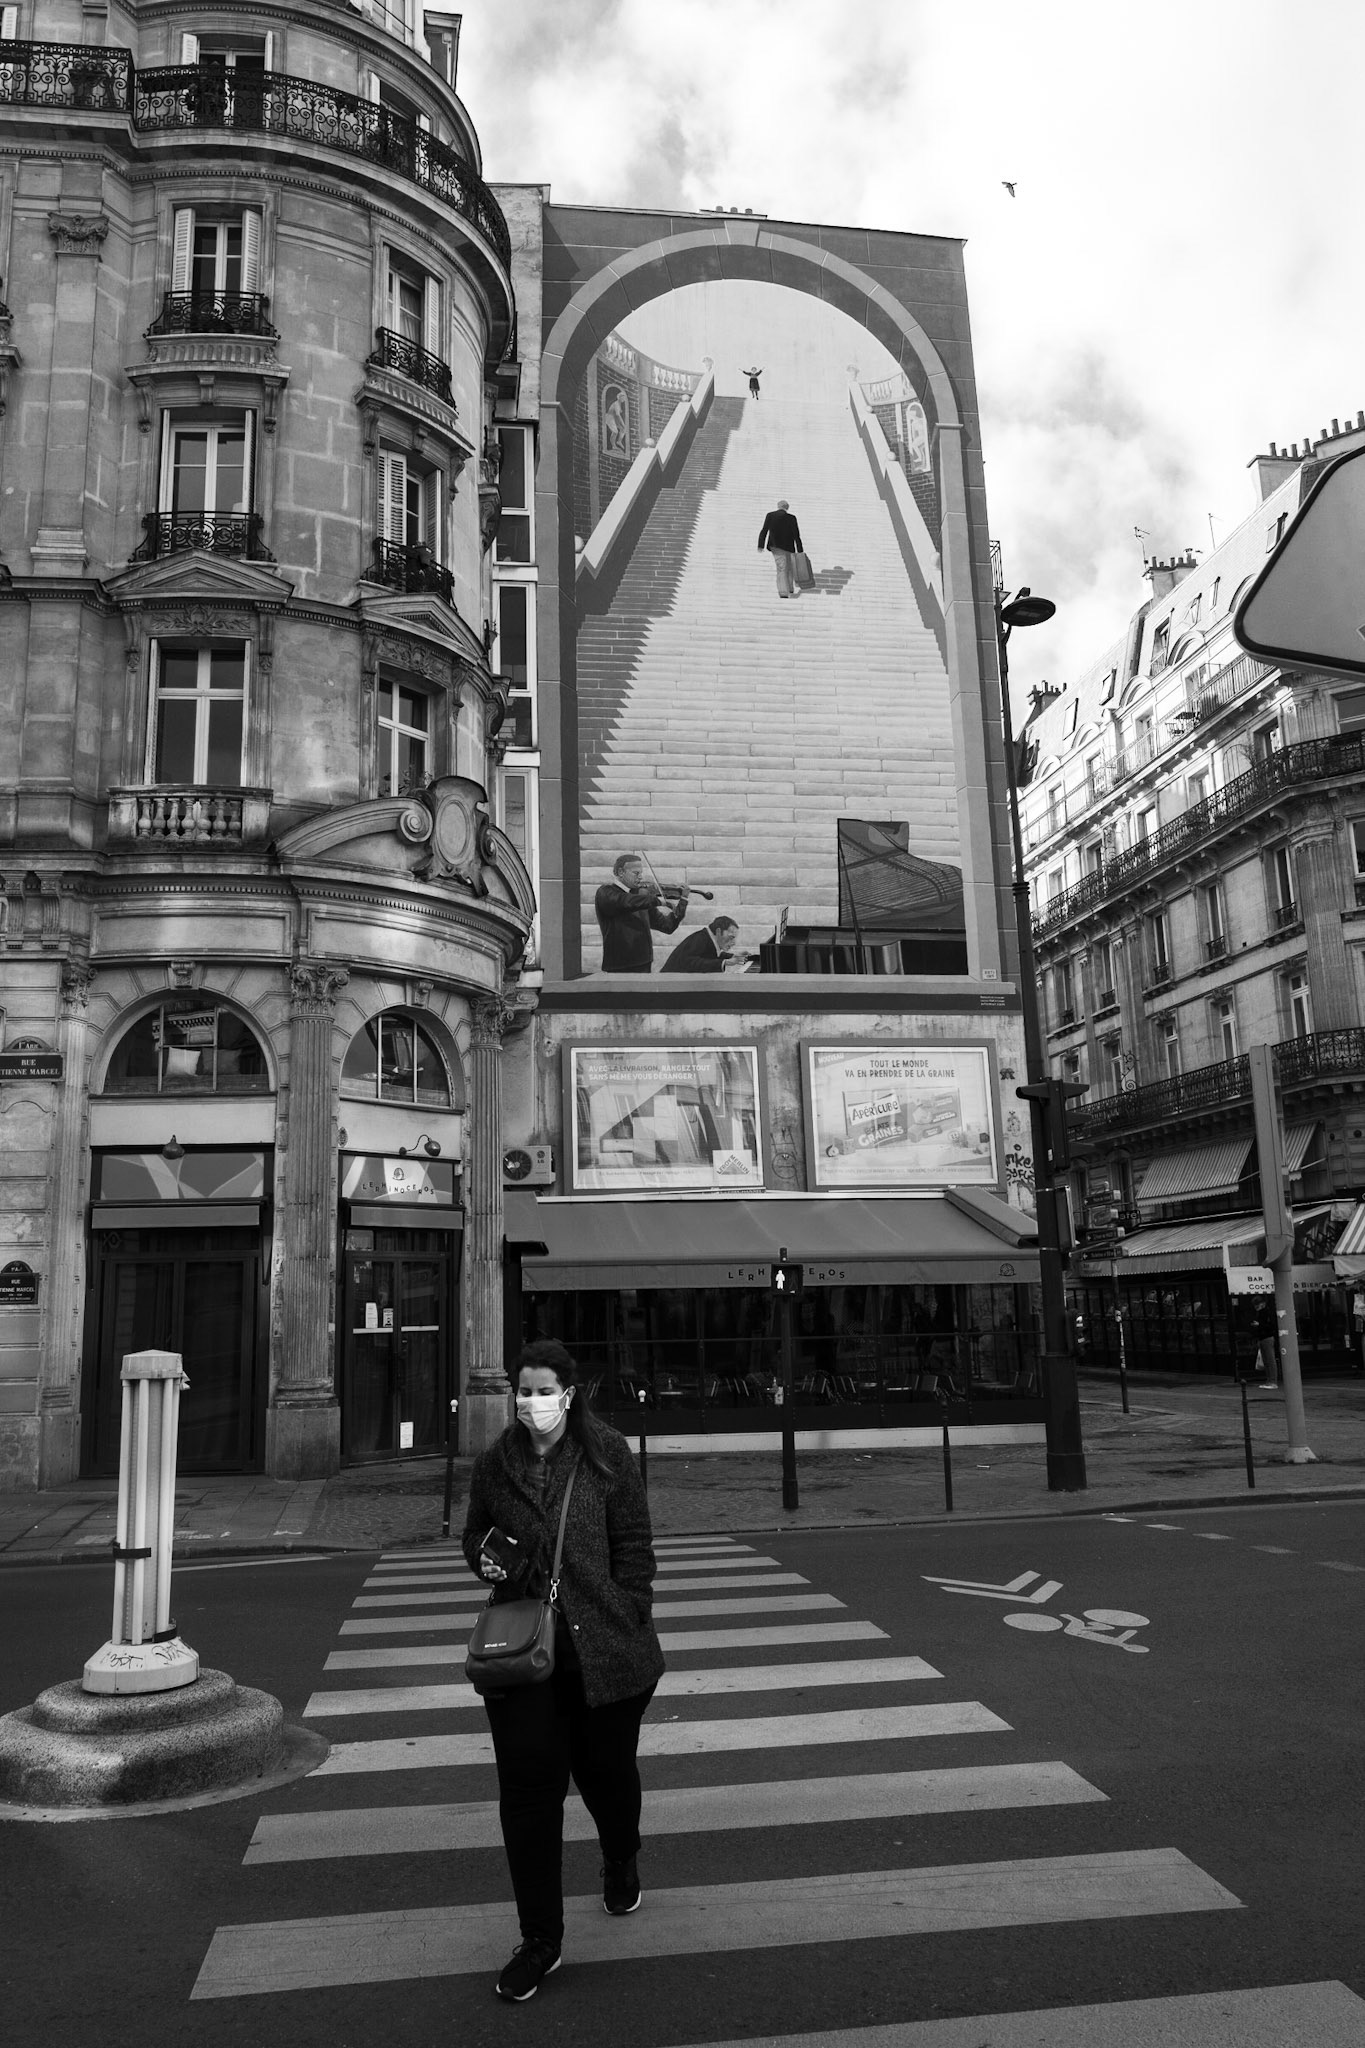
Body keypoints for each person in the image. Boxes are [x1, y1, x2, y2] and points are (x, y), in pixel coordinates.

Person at [463, 1339, 665, 2003]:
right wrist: (491, 1561)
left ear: (568, 1395)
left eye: (544, 1390)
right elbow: (474, 1536)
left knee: (607, 1777)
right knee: (527, 1794)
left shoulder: (607, 1453)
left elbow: (634, 1546)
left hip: (605, 1651)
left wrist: (632, 1611)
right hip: (525, 1658)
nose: (531, 1402)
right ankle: (539, 1940)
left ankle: (620, 1853)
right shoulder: (497, 1462)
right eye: (522, 1390)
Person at [594, 852, 688, 971]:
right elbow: (625, 901)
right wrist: (659, 901)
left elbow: (667, 926)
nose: (640, 877)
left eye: (641, 873)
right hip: (618, 965)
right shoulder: (606, 892)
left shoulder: (642, 896)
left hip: (644, 962)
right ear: (620, 872)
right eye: (636, 873)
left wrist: (683, 901)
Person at [757, 498, 803, 599]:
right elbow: (796, 535)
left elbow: (764, 530)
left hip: (775, 546)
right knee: (789, 567)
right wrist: (800, 550)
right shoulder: (792, 518)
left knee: (781, 568)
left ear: (778, 507)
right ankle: (790, 588)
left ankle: (783, 591)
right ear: (787, 508)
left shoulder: (770, 515)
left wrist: (761, 545)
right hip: (789, 547)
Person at [661, 915, 740, 972]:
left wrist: (733, 956)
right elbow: (690, 962)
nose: (734, 943)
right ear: (718, 932)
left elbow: (711, 954)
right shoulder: (700, 938)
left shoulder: (706, 938)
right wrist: (725, 962)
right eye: (731, 937)